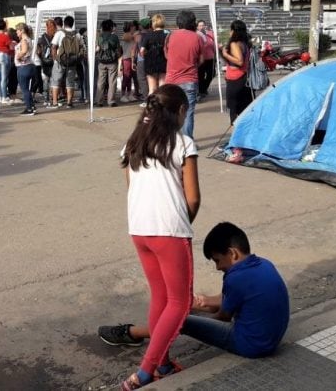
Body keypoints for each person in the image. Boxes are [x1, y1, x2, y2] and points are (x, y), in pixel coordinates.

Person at [98, 222, 290, 361]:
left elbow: (222, 317)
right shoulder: (264, 264)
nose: (217, 268)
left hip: (251, 345)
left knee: (179, 321)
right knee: (184, 310)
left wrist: (184, 312)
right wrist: (202, 302)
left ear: (232, 253)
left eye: (217, 260)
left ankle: (131, 333)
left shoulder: (235, 278)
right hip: (271, 339)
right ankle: (172, 316)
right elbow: (232, 298)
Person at [118, 84, 201, 390]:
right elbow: (192, 199)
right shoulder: (183, 144)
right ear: (180, 112)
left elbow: (131, 186)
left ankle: (164, 363)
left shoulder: (132, 143)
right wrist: (180, 223)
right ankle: (145, 371)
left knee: (161, 297)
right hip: (169, 231)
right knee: (180, 302)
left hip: (139, 229)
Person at [164, 10, 203, 139]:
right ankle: (187, 143)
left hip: (171, 80)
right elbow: (201, 59)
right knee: (188, 113)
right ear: (193, 22)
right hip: (190, 79)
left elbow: (166, 55)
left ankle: (170, 141)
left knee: (171, 112)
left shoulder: (170, 36)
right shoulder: (197, 37)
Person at [220, 20, 254, 125]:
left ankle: (235, 133)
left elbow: (239, 61)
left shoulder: (235, 44)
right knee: (243, 108)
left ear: (234, 31)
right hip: (242, 77)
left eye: (231, 30)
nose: (229, 32)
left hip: (235, 79)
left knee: (233, 108)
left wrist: (225, 54)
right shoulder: (245, 43)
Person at [49, 15, 83, 109]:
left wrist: (56, 58)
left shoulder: (59, 33)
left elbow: (54, 47)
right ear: (72, 24)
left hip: (60, 61)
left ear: (64, 23)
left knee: (56, 81)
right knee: (70, 82)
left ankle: (55, 103)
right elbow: (81, 48)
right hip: (72, 61)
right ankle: (69, 103)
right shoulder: (77, 34)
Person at [139, 14, 168, 101]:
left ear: (153, 23)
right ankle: (162, 108)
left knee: (152, 89)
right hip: (164, 62)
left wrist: (146, 55)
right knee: (162, 88)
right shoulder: (168, 34)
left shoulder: (148, 35)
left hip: (150, 63)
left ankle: (151, 109)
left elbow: (142, 50)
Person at [96, 19, 122, 107]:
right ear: (111, 27)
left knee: (101, 81)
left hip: (102, 62)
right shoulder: (114, 37)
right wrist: (118, 57)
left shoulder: (99, 37)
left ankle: (99, 101)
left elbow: (97, 49)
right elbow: (118, 49)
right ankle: (111, 101)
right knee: (112, 81)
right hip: (112, 61)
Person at [14, 23, 36, 116]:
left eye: (17, 31)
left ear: (22, 30)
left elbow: (24, 50)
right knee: (27, 89)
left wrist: (18, 56)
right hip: (30, 66)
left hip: (23, 66)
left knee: (25, 89)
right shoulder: (29, 39)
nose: (16, 32)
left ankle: (29, 108)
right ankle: (32, 106)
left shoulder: (24, 40)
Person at [196, 20, 216, 101]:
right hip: (201, 59)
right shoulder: (196, 35)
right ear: (197, 27)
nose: (202, 27)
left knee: (212, 74)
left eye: (203, 25)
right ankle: (201, 91)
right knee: (200, 76)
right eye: (200, 25)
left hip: (210, 59)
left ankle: (203, 88)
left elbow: (214, 45)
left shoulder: (210, 34)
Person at [120, 21, 137, 103]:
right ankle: (123, 95)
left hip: (129, 58)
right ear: (130, 27)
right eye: (133, 26)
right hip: (127, 58)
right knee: (126, 77)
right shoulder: (128, 35)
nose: (134, 28)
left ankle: (129, 94)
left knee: (129, 77)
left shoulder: (129, 35)